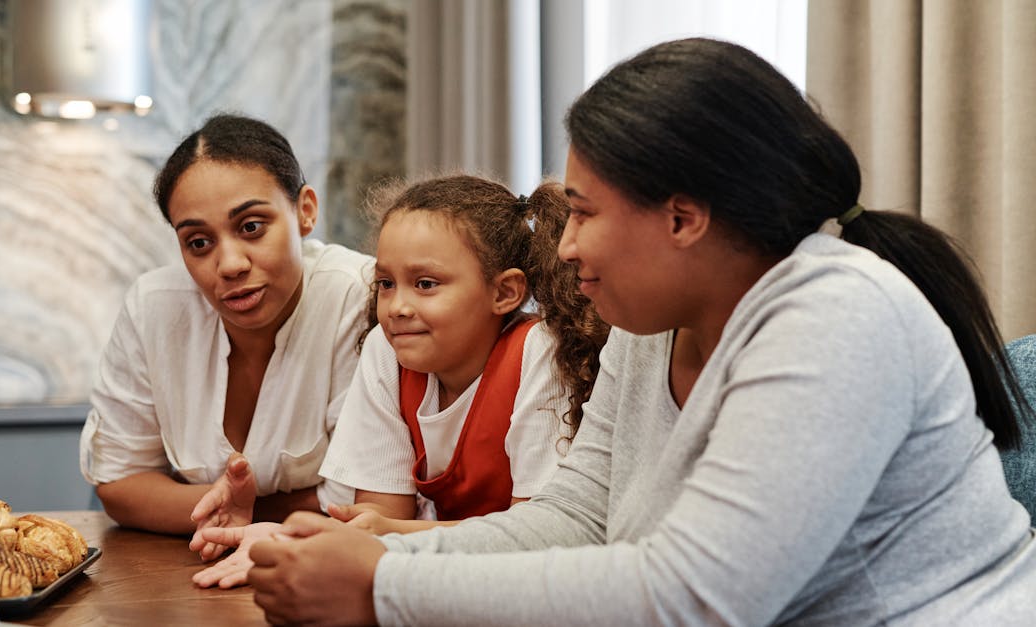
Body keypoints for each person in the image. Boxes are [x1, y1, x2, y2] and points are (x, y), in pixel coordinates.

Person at [229, 38, 1036, 625]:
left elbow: (693, 597)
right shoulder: (652, 324)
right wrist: (378, 556)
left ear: (682, 217)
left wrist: (380, 589)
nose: (566, 243)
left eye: (582, 213)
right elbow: (578, 519)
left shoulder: (836, 318)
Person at [191, 175, 609, 588]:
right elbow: (377, 517)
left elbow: (536, 540)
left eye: (426, 284)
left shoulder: (538, 351)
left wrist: (388, 536)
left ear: (505, 292)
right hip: (443, 581)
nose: (397, 307)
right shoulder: (386, 351)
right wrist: (295, 539)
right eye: (387, 284)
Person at [78, 114, 372, 561]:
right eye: (199, 242)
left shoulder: (358, 294)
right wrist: (236, 511)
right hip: (185, 572)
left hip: (323, 568)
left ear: (305, 210)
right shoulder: (154, 307)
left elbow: (360, 499)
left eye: (251, 227)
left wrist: (238, 510)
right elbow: (120, 484)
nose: (230, 264)